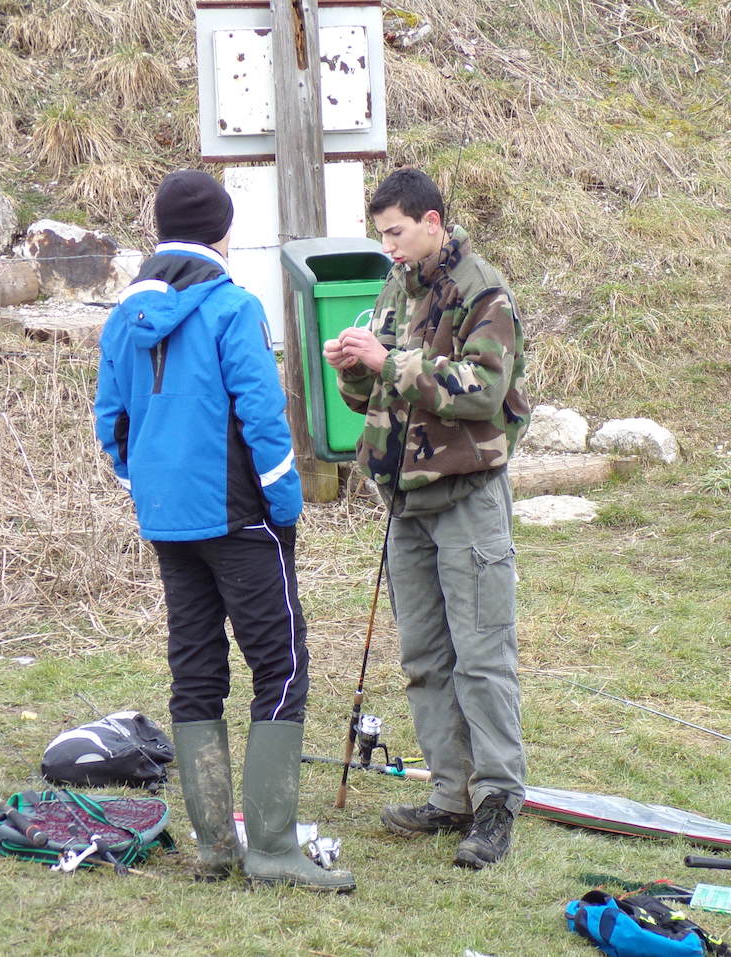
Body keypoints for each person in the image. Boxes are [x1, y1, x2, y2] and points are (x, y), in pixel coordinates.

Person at [94, 168, 354, 892]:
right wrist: (285, 504)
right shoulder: (234, 306)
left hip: (169, 519)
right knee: (282, 668)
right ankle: (271, 849)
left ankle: (215, 847)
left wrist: (146, 490)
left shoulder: (123, 316)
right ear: (224, 231)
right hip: (243, 516)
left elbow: (111, 423)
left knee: (196, 672)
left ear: (160, 229)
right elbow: (263, 415)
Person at [322, 167, 530, 869]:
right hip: (404, 501)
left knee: (482, 658)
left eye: (397, 233)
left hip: (467, 495)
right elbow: (371, 397)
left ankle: (497, 801)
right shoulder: (397, 287)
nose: (389, 247)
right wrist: (355, 367)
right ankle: (450, 795)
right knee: (425, 659)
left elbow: (482, 391)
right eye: (382, 235)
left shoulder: (483, 291)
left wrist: (391, 362)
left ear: (433, 222)